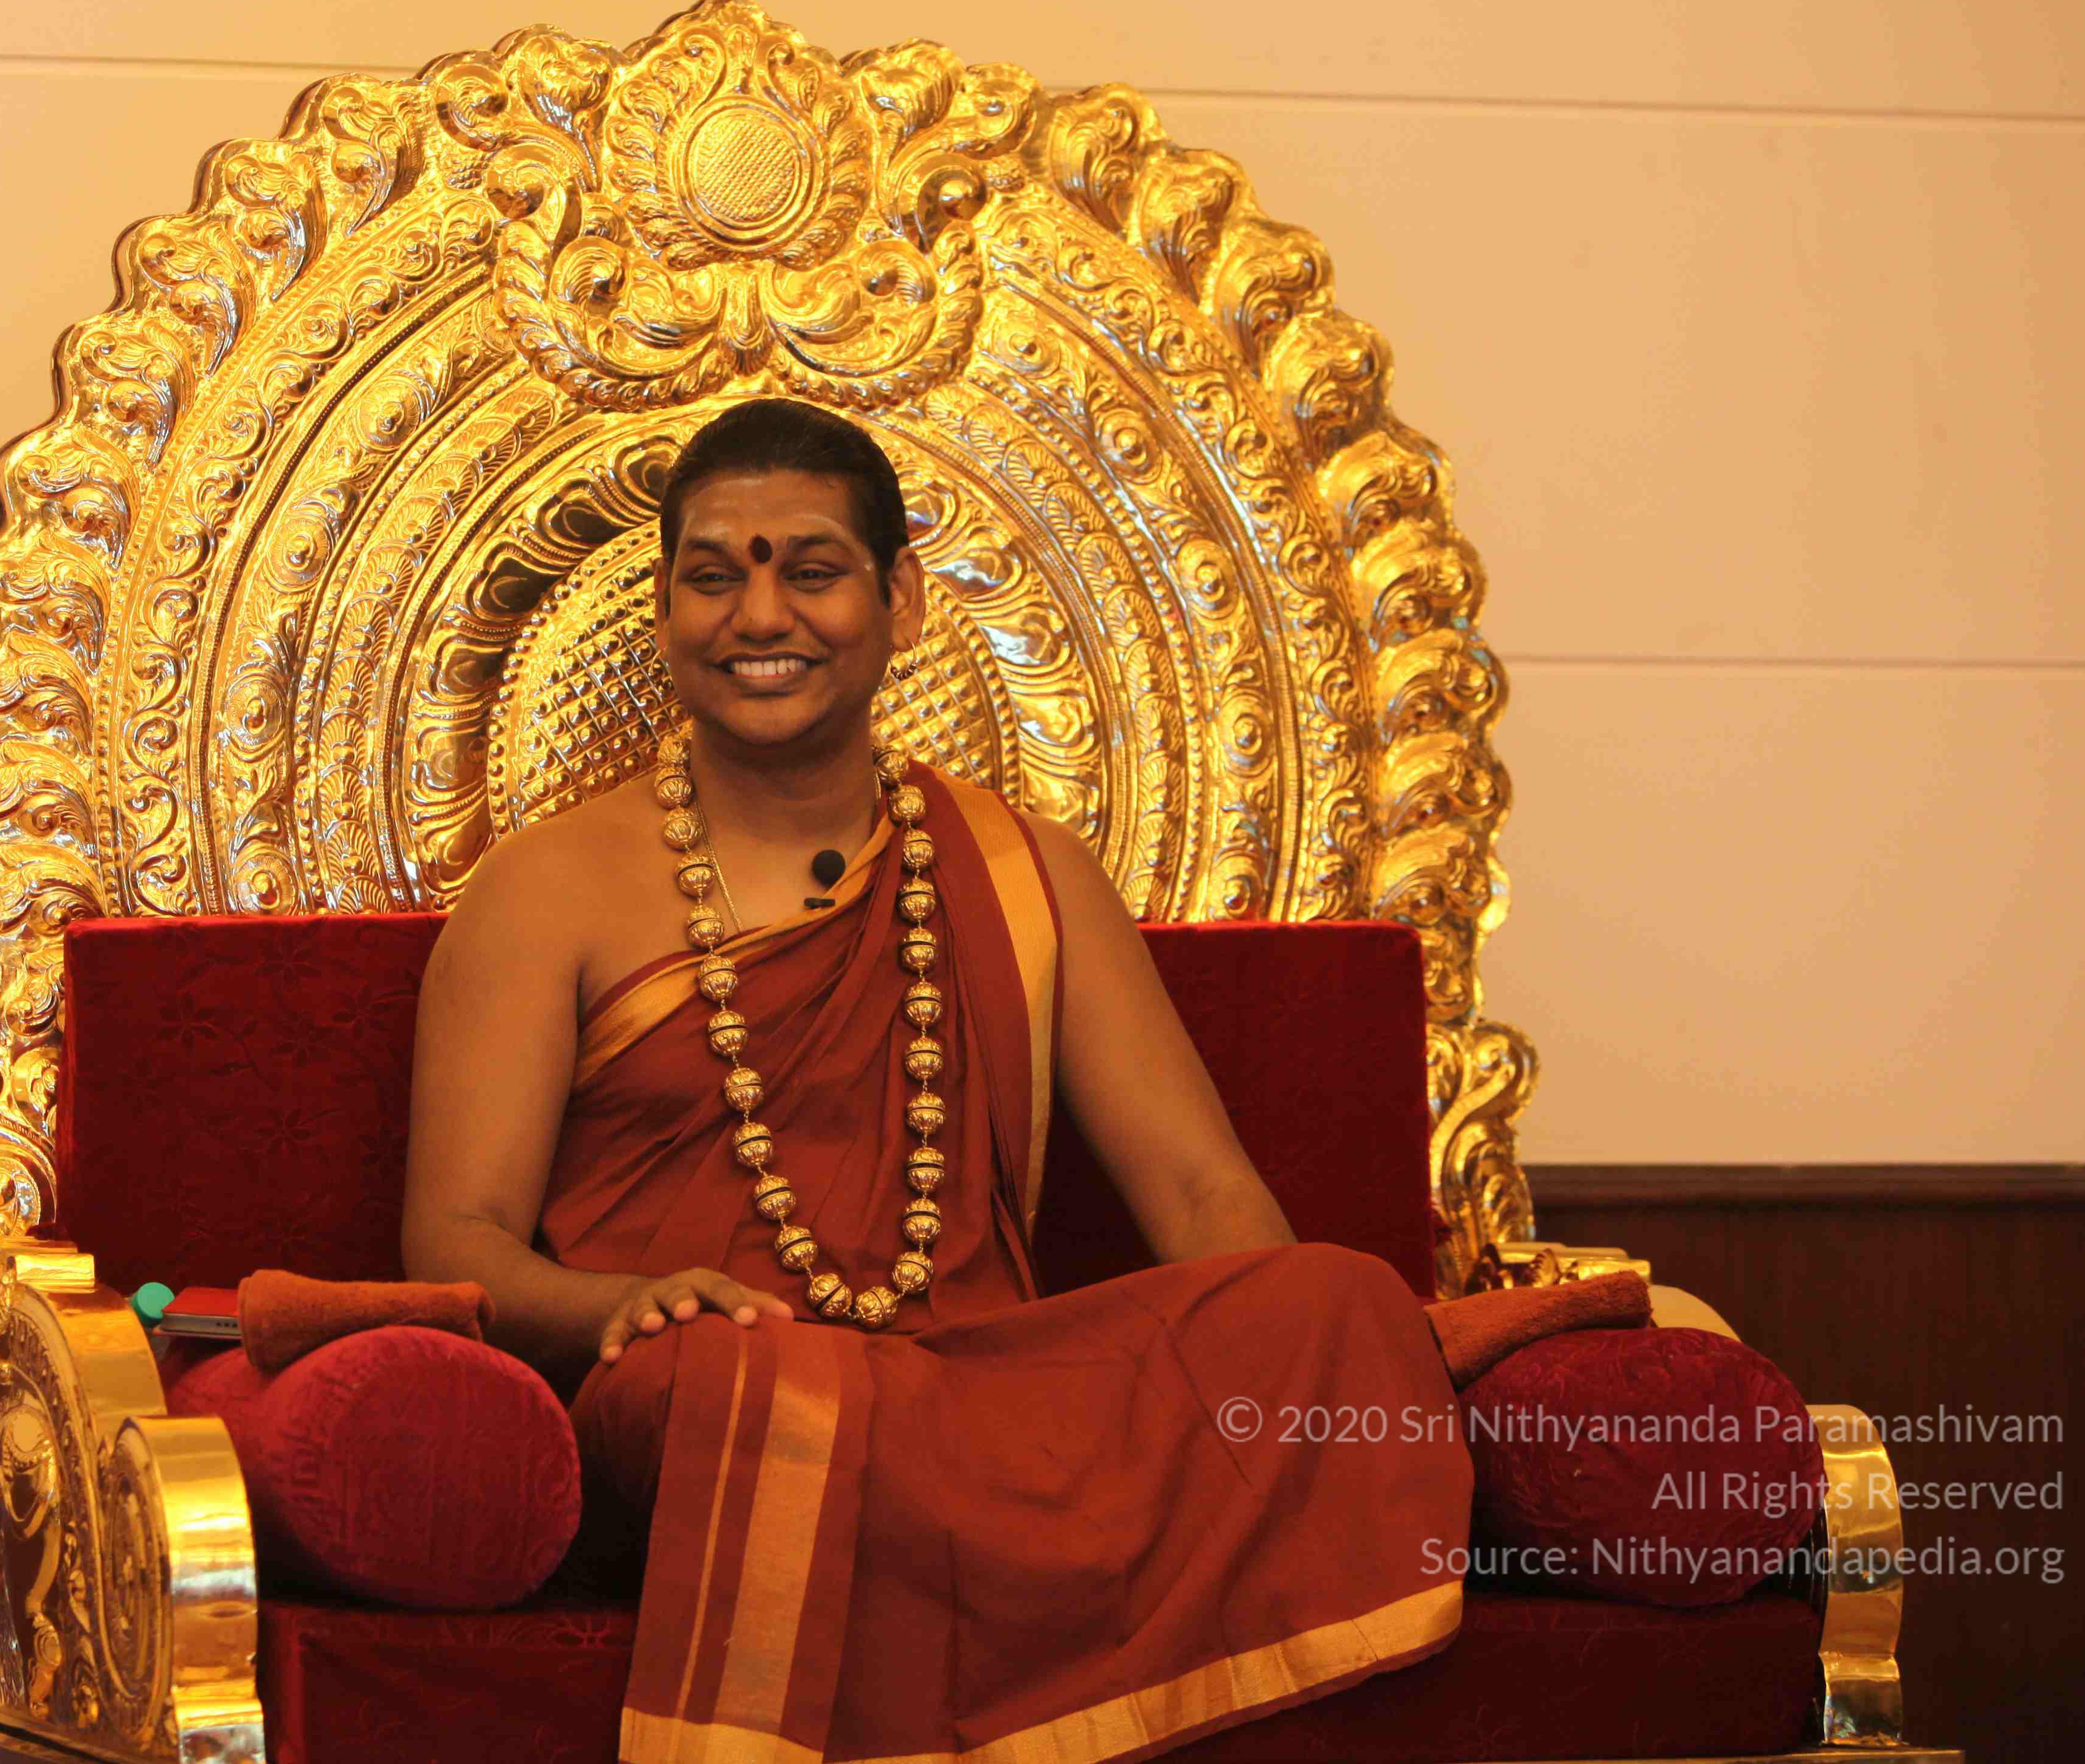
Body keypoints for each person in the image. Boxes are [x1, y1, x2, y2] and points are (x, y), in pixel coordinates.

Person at [402, 397, 1473, 1764]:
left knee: (1336, 1301)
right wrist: (620, 1304)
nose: (760, 615)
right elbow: (454, 1240)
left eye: (812, 570)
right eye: (714, 576)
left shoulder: (1026, 871)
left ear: (900, 601)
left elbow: (1204, 1195)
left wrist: (1263, 1385)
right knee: (765, 1394)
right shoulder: (548, 889)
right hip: (705, 1388)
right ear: (664, 611)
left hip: (971, 1380)